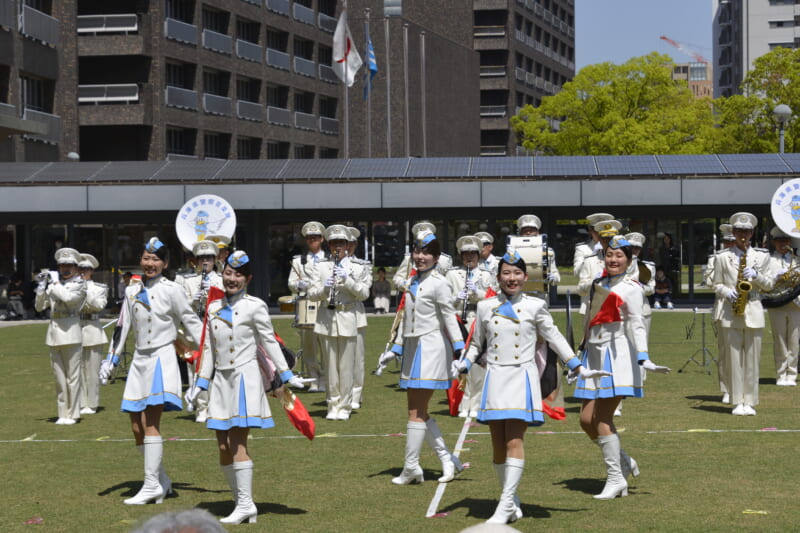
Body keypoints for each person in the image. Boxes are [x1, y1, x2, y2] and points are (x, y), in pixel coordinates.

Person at [452, 249, 606, 524]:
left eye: (517, 273)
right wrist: (463, 364)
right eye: (506, 273)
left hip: (521, 379)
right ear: (498, 277)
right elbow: (476, 344)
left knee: (514, 439)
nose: (512, 278)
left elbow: (555, 337)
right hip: (495, 378)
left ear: (525, 276)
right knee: (497, 444)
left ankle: (503, 505)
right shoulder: (486, 306)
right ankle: (510, 500)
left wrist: (578, 367)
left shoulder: (535, 306)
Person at [189, 250, 305, 525]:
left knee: (237, 441)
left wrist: (287, 376)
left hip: (244, 380)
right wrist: (200, 384)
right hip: (220, 382)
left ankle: (244, 505)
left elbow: (269, 342)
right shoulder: (213, 307)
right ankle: (242, 500)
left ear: (248, 278)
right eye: (228, 273)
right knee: (221, 443)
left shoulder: (255, 306)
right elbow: (207, 348)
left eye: (238, 275)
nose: (232, 279)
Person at [100, 237, 203, 505]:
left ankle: (150, 486)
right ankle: (161, 480)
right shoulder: (132, 290)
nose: (150, 263)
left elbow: (191, 322)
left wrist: (209, 347)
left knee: (150, 422)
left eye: (156, 259)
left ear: (165, 263)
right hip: (139, 362)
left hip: (161, 358)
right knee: (136, 425)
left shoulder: (172, 290)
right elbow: (123, 326)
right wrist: (110, 360)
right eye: (146, 258)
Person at [574, 235, 670, 499]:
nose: (613, 260)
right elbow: (590, 319)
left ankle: (616, 479)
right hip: (592, 355)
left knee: (602, 418)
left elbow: (637, 324)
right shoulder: (598, 283)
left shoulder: (632, 287)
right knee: (585, 420)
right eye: (609, 255)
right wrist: (578, 354)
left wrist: (644, 357)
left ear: (629, 259)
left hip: (615, 356)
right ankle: (624, 461)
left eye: (619, 256)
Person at [381, 229, 465, 485]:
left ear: (436, 257)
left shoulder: (439, 283)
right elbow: (405, 318)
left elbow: (450, 318)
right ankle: (447, 459)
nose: (420, 257)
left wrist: (460, 351)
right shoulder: (411, 282)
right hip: (412, 350)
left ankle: (411, 467)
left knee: (416, 412)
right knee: (417, 411)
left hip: (431, 349)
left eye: (426, 253)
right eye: (417, 251)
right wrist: (394, 348)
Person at [711, 212, 773, 415]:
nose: (742, 235)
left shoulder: (762, 256)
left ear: (752, 233)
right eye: (739, 231)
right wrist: (725, 291)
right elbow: (716, 283)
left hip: (753, 308)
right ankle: (737, 401)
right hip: (731, 311)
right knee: (734, 359)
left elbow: (770, 285)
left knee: (752, 359)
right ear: (734, 232)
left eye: (746, 231)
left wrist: (757, 276)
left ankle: (750, 401)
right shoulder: (722, 257)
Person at [308, 225, 371, 420]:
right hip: (326, 318)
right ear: (329, 244)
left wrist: (348, 280)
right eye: (334, 243)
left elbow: (364, 294)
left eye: (341, 243)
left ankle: (345, 406)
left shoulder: (358, 267)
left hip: (348, 317)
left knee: (346, 366)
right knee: (330, 366)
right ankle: (332, 404)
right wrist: (325, 290)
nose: (337, 247)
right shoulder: (321, 267)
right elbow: (311, 293)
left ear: (347, 245)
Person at [35, 247, 87, 425]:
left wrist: (55, 284)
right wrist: (42, 288)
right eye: (62, 265)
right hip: (54, 333)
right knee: (59, 377)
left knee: (73, 376)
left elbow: (70, 300)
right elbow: (39, 307)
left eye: (69, 265)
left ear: (75, 267)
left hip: (71, 332)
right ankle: (62, 413)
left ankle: (73, 414)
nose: (65, 268)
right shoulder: (54, 284)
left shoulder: (79, 284)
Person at [446, 235, 496, 418]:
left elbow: (493, 299)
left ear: (478, 255)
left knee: (478, 364)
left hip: (479, 319)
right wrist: (456, 298)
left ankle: (476, 403)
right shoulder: (452, 274)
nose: (469, 257)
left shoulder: (487, 273)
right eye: (466, 254)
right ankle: (462, 403)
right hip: (459, 320)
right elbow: (444, 302)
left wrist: (477, 293)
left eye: (473, 254)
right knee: (460, 362)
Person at [174, 239, 224, 423]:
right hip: (195, 330)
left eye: (209, 258)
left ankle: (217, 406)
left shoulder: (221, 279)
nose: (205, 261)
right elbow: (179, 307)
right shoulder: (187, 281)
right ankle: (201, 408)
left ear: (214, 259)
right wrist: (193, 300)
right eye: (201, 258)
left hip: (216, 329)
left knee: (218, 370)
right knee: (197, 369)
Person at [287, 221, 326, 392]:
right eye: (309, 238)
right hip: (306, 307)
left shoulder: (329, 259)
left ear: (322, 239)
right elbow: (291, 283)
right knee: (309, 346)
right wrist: (298, 285)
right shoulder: (299, 261)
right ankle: (314, 379)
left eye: (316, 237)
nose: (312, 240)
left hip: (324, 305)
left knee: (325, 344)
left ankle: (326, 379)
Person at [765, 226, 800, 386]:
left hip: (795, 304)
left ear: (790, 242)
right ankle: (781, 374)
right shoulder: (768, 260)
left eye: (785, 241)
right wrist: (776, 276)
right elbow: (764, 283)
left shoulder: (797, 260)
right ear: (774, 242)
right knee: (779, 340)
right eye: (779, 241)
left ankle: (791, 374)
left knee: (794, 341)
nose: (783, 244)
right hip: (777, 303)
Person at [705, 224, 736, 402]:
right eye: (728, 241)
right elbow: (709, 280)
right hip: (724, 306)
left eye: (733, 241)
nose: (730, 244)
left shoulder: (748, 257)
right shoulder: (716, 258)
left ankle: (741, 389)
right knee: (725, 352)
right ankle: (726, 388)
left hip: (744, 305)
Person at [77, 253, 108, 415]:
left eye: (86, 269)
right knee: (79, 370)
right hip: (75, 329)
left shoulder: (99, 288)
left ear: (91, 271)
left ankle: (92, 403)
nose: (82, 272)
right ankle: (82, 403)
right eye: (80, 268)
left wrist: (85, 291)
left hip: (93, 328)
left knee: (92, 370)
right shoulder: (71, 286)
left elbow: (98, 306)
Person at [347, 226, 372, 411]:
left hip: (355, 313)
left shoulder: (362, 265)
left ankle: (356, 394)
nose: (346, 247)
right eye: (341, 243)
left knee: (356, 358)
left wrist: (348, 280)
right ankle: (339, 395)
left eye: (350, 243)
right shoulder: (327, 265)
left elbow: (364, 293)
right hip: (332, 315)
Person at [577, 220, 623, 315]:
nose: (607, 241)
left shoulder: (626, 261)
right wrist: (593, 282)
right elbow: (581, 289)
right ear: (599, 240)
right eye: (604, 238)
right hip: (594, 309)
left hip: (619, 309)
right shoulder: (589, 261)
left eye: (611, 238)